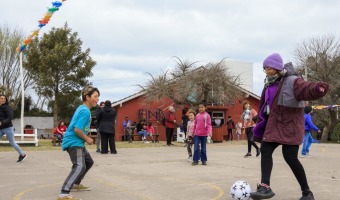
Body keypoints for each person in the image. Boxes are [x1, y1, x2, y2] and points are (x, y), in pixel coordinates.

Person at [250, 53, 329, 200]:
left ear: (277, 67)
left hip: (290, 126)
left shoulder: (292, 81)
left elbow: (305, 88)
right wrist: (257, 117)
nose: (267, 70)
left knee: (290, 157)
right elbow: (268, 105)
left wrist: (317, 88)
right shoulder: (269, 83)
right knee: (266, 149)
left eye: (269, 67)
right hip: (274, 125)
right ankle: (265, 187)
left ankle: (307, 192)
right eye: (265, 68)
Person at [58, 86, 100, 200]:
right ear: (87, 97)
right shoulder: (85, 111)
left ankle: (76, 183)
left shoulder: (83, 109)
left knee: (88, 162)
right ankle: (64, 193)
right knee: (80, 166)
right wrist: (87, 139)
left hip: (78, 142)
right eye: (95, 96)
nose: (97, 99)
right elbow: (77, 129)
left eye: (98, 97)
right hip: (74, 142)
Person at [0, 94, 27, 162]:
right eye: (1, 98)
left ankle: (22, 154)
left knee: (12, 142)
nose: (3, 100)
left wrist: (2, 122)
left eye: (4, 99)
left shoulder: (7, 107)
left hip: (8, 128)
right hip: (1, 128)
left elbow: (10, 117)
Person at [192, 101, 212, 165]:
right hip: (197, 134)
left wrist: (209, 131)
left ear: (205, 107)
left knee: (203, 147)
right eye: (199, 107)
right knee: (196, 147)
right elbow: (195, 124)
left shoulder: (207, 116)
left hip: (204, 134)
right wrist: (193, 132)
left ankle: (203, 160)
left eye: (202, 107)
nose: (200, 108)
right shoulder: (197, 115)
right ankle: (195, 160)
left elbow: (209, 125)